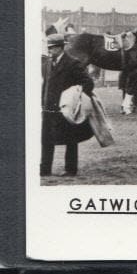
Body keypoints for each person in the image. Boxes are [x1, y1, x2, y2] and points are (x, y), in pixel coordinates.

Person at [41, 33, 95, 177]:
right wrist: (42, 102)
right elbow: (45, 84)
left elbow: (88, 83)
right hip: (48, 108)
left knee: (71, 139)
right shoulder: (46, 64)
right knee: (46, 139)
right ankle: (45, 169)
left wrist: (74, 96)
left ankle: (70, 169)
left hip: (66, 108)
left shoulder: (73, 63)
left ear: (60, 48)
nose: (49, 50)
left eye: (51, 48)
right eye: (48, 48)